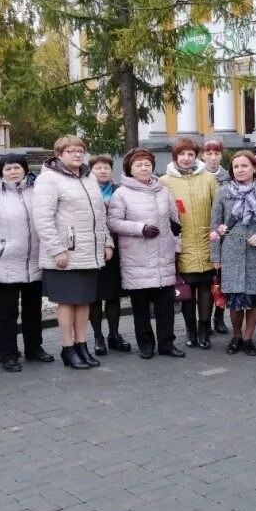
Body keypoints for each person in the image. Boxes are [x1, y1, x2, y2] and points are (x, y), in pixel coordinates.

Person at [33, 135, 114, 369]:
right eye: (71, 151)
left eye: (80, 150)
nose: (77, 154)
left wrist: (107, 241)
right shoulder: (49, 179)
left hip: (90, 251)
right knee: (67, 302)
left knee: (84, 301)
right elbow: (42, 219)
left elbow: (100, 214)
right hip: (65, 253)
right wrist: (57, 249)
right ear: (59, 154)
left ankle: (82, 345)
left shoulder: (88, 178)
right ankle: (68, 348)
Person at [0, 154, 52, 373]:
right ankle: (8, 354)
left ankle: (34, 348)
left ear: (26, 170)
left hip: (35, 261)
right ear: (0, 172)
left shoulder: (37, 191)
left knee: (33, 310)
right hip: (6, 261)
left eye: (17, 167)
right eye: (7, 168)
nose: (13, 172)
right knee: (6, 312)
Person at [107, 148, 186, 360]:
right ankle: (145, 344)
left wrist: (176, 244)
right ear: (130, 169)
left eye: (147, 164)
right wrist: (139, 228)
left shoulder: (163, 190)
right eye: (139, 164)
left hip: (163, 256)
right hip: (137, 259)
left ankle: (167, 344)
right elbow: (113, 222)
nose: (144, 168)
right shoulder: (121, 193)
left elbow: (174, 220)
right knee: (140, 307)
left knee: (166, 307)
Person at [210, 151, 256, 356]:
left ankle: (249, 338)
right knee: (235, 300)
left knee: (254, 299)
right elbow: (215, 226)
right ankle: (237, 336)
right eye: (236, 167)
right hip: (231, 254)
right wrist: (216, 256)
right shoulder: (223, 193)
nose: (239, 170)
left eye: (244, 166)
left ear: (254, 169)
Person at [161, 137, 220, 349]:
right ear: (175, 157)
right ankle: (190, 330)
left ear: (196, 157)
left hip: (207, 241)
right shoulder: (165, 181)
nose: (186, 158)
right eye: (182, 154)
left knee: (206, 288)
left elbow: (218, 208)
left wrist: (216, 236)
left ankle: (204, 330)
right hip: (182, 244)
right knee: (187, 291)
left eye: (190, 154)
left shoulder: (208, 179)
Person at [87, 155, 131, 355]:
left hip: (116, 250)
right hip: (91, 249)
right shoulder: (85, 190)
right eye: (98, 168)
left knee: (113, 295)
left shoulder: (119, 191)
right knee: (94, 296)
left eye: (106, 167)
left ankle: (114, 334)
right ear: (91, 171)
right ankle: (98, 337)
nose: (103, 171)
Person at [201, 140, 231, 334]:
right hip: (203, 232)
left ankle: (219, 317)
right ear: (202, 155)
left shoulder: (228, 178)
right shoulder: (197, 177)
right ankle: (203, 318)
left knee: (222, 279)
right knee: (206, 281)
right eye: (208, 153)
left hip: (224, 232)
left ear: (221, 156)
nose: (213, 157)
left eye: (216, 153)